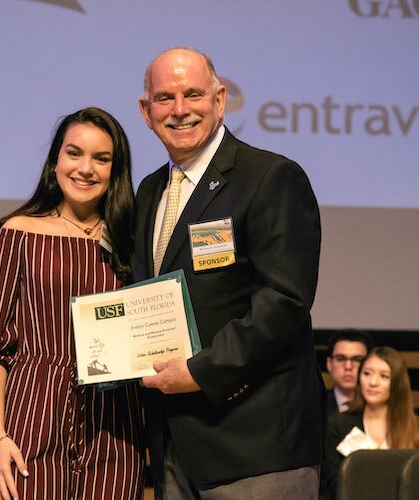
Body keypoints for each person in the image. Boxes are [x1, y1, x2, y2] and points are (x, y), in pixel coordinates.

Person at [134, 47, 323, 498]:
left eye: (193, 94)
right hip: (174, 447)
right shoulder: (149, 191)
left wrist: (201, 370)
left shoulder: (271, 177)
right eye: (164, 98)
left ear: (220, 100)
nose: (180, 110)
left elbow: (284, 301)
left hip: (257, 447)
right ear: (146, 111)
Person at [0, 107, 144, 500]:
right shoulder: (17, 232)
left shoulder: (133, 240)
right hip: (34, 412)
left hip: (116, 421)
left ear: (116, 170)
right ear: (55, 161)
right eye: (74, 153)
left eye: (102, 158)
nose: (86, 168)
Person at [321, 347, 419, 500]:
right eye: (367, 374)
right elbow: (332, 485)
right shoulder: (337, 426)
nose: (373, 382)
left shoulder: (417, 427)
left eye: (384, 376)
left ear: (397, 383)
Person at [325, 329, 374, 416]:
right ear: (329, 364)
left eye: (357, 360)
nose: (348, 367)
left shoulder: (382, 408)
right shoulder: (313, 406)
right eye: (340, 359)